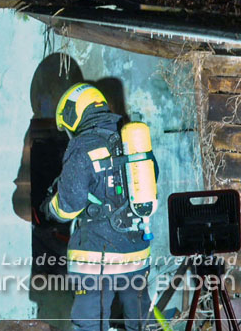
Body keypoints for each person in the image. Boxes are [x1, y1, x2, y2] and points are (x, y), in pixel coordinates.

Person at [42, 83, 151, 331]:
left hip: (98, 257)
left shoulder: (83, 147)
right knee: (140, 321)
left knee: (90, 321)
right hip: (137, 254)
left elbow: (69, 206)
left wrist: (50, 207)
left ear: (74, 115)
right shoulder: (131, 141)